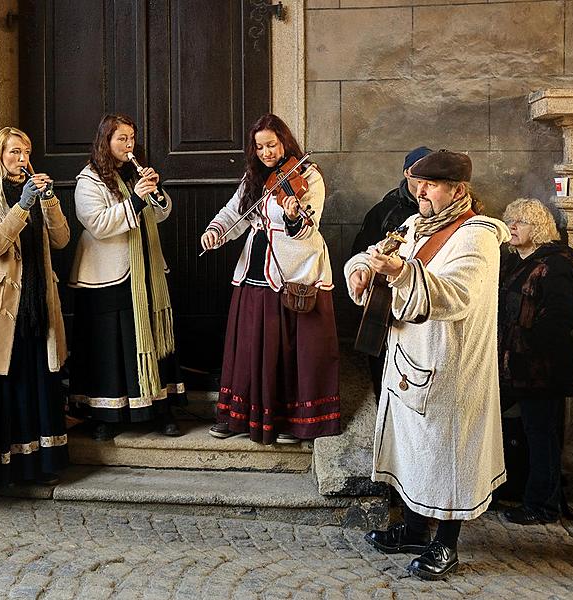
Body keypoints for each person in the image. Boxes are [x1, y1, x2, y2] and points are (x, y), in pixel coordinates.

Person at [344, 150, 508, 580]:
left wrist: (400, 274)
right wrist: (361, 269)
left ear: (457, 189)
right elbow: (374, 251)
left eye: (430, 185)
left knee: (448, 456)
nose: (420, 191)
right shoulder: (416, 224)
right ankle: (416, 531)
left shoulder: (477, 237)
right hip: (408, 361)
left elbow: (456, 295)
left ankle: (446, 545)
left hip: (451, 368)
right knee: (414, 454)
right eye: (418, 183)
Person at [201, 113, 340, 445]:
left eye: (271, 145)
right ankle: (239, 417)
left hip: (294, 270)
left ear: (284, 142)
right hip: (255, 269)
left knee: (291, 348)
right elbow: (235, 211)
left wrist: (293, 216)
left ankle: (294, 421)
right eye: (259, 146)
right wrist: (214, 231)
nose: (266, 153)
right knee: (250, 345)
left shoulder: (309, 176)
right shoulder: (253, 176)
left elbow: (309, 226)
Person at [0, 127, 70, 487]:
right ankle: (2, 471)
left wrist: (49, 201)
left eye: (26, 152)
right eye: (14, 152)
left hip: (38, 303)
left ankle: (41, 467)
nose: (22, 159)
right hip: (2, 307)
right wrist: (22, 206)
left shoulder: (37, 194)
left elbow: (62, 239)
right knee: (7, 386)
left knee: (39, 382)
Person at [68, 113, 186, 440]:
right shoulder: (88, 180)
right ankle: (104, 414)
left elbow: (160, 213)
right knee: (109, 347)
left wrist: (155, 191)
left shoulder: (135, 173)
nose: (128, 144)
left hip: (146, 271)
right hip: (108, 276)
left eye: (131, 138)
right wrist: (136, 199)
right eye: (121, 138)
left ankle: (160, 408)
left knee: (153, 337)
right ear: (106, 141)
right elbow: (98, 224)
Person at [498, 198, 573, 525]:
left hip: (540, 367)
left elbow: (561, 317)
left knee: (541, 432)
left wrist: (529, 347)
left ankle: (543, 505)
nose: (513, 227)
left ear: (539, 228)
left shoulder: (554, 263)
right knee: (499, 425)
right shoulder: (512, 261)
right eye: (510, 220)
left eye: (521, 222)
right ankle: (501, 490)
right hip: (509, 364)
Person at [350, 146, 432, 399]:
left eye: (431, 179)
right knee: (384, 372)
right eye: (420, 175)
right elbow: (361, 252)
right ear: (407, 172)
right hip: (385, 305)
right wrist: (361, 270)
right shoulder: (383, 212)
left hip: (425, 301)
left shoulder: (439, 210)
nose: (424, 186)